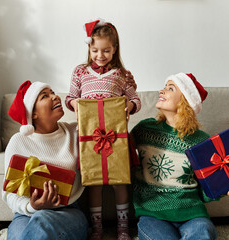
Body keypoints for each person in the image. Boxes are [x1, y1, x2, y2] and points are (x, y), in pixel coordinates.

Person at [131, 73, 229, 240]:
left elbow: (205, 190)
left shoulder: (201, 140)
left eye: (170, 88)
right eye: (164, 87)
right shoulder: (144, 129)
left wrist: (224, 189)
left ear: (185, 101)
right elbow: (121, 153)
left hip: (192, 214)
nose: (161, 91)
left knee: (203, 233)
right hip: (152, 213)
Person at [65, 18, 141, 240]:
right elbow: (70, 97)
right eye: (95, 50)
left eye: (106, 50)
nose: (100, 55)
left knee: (120, 182)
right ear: (89, 48)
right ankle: (97, 228)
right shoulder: (80, 72)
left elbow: (135, 98)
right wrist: (75, 104)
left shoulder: (121, 74)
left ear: (114, 49)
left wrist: (129, 105)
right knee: (94, 183)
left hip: (116, 138)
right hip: (89, 138)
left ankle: (123, 227)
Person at [2, 80, 88, 240]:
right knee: (20, 235)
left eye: (53, 92)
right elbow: (9, 193)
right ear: (33, 113)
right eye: (45, 96)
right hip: (26, 214)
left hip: (68, 212)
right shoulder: (18, 141)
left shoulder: (75, 132)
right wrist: (32, 206)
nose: (55, 97)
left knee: (42, 223)